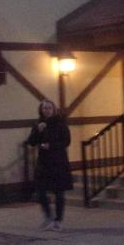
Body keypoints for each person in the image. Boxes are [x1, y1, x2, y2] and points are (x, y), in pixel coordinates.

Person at [26, 99, 72, 232]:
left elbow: (66, 141)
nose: (46, 110)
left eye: (49, 108)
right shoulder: (38, 124)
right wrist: (37, 131)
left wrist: (51, 145)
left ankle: (58, 220)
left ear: (53, 109)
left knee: (59, 193)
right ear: (41, 110)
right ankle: (48, 217)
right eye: (44, 108)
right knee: (40, 191)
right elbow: (31, 142)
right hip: (44, 163)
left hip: (58, 161)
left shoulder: (60, 123)